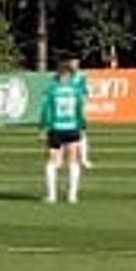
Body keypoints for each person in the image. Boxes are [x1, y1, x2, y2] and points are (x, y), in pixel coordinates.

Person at [39, 61, 88, 204]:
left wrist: (43, 127)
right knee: (73, 161)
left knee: (52, 162)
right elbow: (80, 110)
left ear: (58, 74)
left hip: (56, 128)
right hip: (72, 128)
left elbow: (46, 110)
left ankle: (51, 196)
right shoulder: (76, 90)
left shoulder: (51, 89)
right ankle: (72, 196)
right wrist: (82, 126)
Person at [67, 56, 94, 168]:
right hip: (64, 109)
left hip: (76, 109)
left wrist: (82, 108)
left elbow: (85, 93)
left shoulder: (81, 77)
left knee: (81, 133)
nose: (74, 64)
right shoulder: (63, 76)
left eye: (76, 62)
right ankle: (61, 159)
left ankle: (83, 159)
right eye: (72, 62)